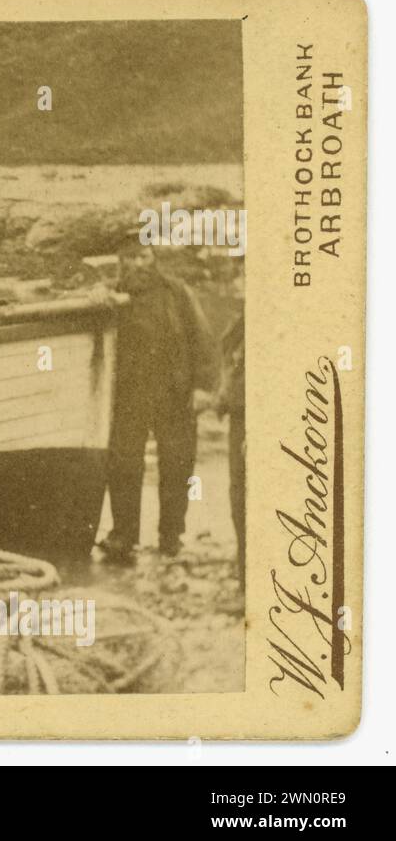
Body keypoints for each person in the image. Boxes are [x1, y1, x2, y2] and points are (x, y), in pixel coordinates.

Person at [98, 244, 217, 561]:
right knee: (123, 465)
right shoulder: (111, 296)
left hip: (174, 393)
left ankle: (171, 538)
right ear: (121, 261)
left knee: (177, 464)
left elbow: (202, 339)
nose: (138, 263)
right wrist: (102, 299)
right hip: (129, 394)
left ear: (154, 259)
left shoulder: (177, 293)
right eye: (130, 257)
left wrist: (204, 387)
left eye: (144, 256)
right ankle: (123, 536)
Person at [214, 285, 245, 588]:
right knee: (238, 495)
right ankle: (245, 574)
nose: (236, 280)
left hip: (250, 421)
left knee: (246, 495)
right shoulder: (243, 321)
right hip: (239, 417)